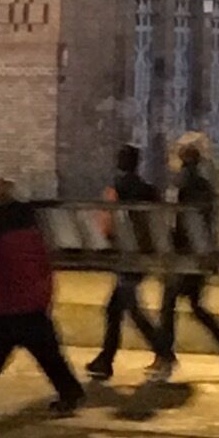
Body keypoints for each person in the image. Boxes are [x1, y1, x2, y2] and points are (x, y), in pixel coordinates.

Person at [0, 177, 84, 416]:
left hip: (2, 302)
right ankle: (68, 392)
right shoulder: (31, 227)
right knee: (47, 354)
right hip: (32, 299)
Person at [150, 137, 219, 380]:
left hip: (185, 255)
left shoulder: (182, 185)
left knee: (169, 305)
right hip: (198, 254)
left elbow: (179, 222)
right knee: (195, 306)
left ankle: (165, 358)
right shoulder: (204, 185)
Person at [86, 143, 165, 379]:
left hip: (126, 254)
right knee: (119, 307)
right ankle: (105, 360)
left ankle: (162, 352)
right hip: (144, 253)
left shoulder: (115, 189)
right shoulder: (149, 190)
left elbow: (107, 225)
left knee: (125, 306)